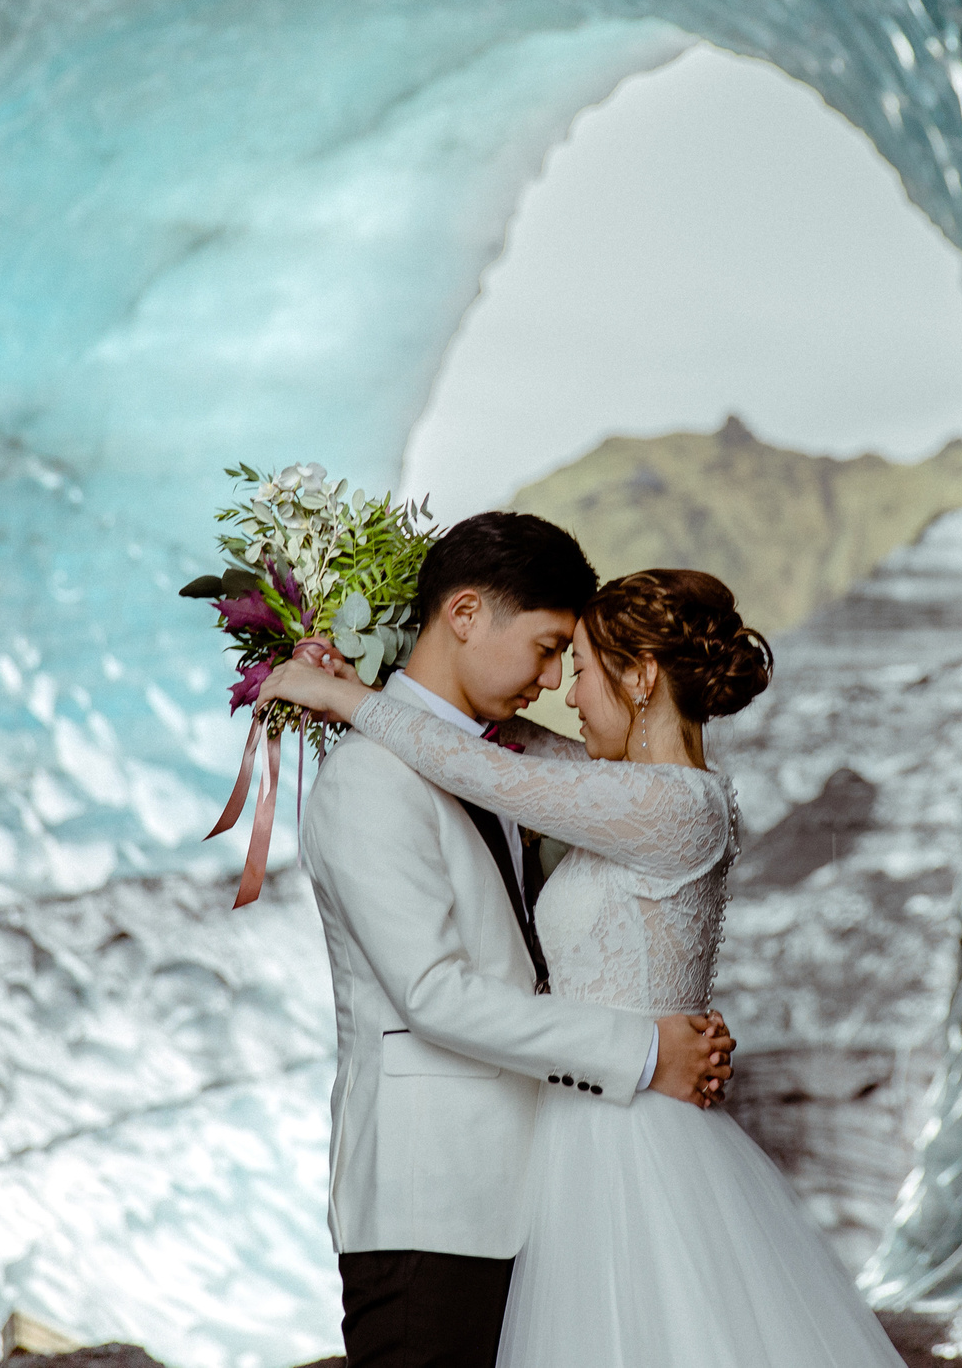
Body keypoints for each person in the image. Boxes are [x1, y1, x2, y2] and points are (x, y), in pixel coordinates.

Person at [264, 566, 907, 1368]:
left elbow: (495, 772)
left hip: (627, 1141)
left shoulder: (674, 804)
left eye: (582, 673)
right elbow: (503, 744)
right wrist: (387, 681)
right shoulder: (636, 791)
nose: (567, 697)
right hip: (576, 1125)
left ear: (640, 677)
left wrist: (350, 701)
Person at [287, 513, 737, 1368]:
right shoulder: (373, 778)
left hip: (540, 1193)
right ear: (463, 615)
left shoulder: (500, 770)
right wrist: (646, 1047)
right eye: (544, 648)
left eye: (573, 660)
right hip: (435, 1201)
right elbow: (434, 996)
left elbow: (512, 774)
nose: (554, 680)